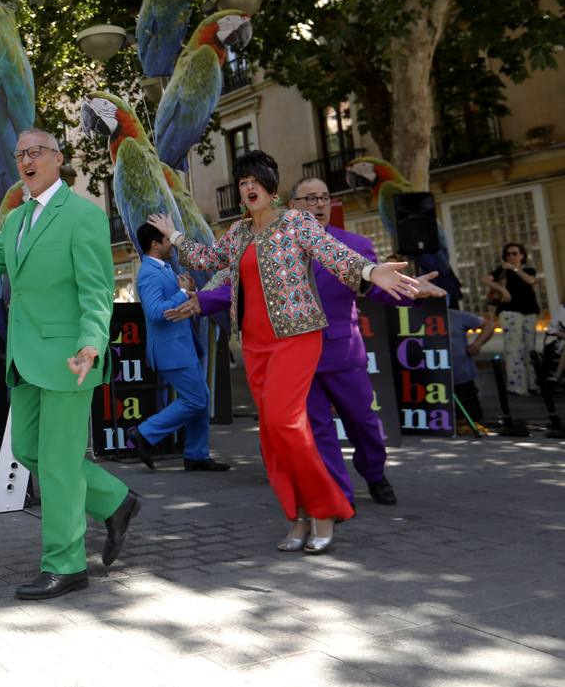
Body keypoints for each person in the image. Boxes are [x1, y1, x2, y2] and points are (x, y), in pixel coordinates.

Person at [149, 151, 419, 554]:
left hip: (296, 338)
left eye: (255, 180)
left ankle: (325, 510)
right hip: (255, 346)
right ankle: (297, 517)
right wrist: (176, 236)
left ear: (271, 188)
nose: (248, 187)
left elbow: (334, 254)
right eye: (242, 182)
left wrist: (369, 272)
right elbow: (207, 259)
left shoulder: (296, 223)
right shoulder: (238, 233)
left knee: (287, 426)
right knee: (272, 436)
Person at [0, 128, 140, 601]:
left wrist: (91, 343)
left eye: (35, 152)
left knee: (57, 465)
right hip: (24, 357)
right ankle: (115, 500)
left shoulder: (83, 215)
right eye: (19, 154)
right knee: (27, 450)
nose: (25, 160)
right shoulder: (17, 219)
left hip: (69, 358)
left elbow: (98, 289)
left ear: (58, 158)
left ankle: (66, 564)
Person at [182, 177, 444, 506]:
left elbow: (375, 286)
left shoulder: (354, 244)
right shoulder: (274, 241)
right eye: (309, 199)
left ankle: (374, 473)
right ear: (292, 207)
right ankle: (338, 497)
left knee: (363, 422)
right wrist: (202, 301)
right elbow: (244, 285)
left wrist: (411, 290)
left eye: (324, 197)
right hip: (294, 355)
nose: (319, 204)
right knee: (318, 431)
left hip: (341, 352)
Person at [128, 222, 230, 472]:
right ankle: (144, 432)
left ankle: (196, 454)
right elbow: (154, 312)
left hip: (181, 347)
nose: (172, 244)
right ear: (155, 244)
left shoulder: (162, 268)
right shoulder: (149, 273)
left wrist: (188, 290)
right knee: (196, 399)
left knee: (201, 399)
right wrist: (183, 292)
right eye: (167, 239)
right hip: (170, 350)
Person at [486, 242, 540, 396]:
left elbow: (531, 281)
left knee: (530, 347)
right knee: (513, 348)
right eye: (508, 254)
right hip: (509, 311)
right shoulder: (501, 271)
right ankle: (516, 385)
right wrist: (502, 289)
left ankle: (532, 383)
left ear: (522, 255)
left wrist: (516, 269)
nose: (511, 256)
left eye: (515, 253)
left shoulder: (528, 270)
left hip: (529, 311)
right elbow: (485, 279)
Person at [448, 307, 495, 432]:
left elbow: (489, 325)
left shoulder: (456, 315)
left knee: (472, 417)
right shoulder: (414, 316)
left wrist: (477, 345)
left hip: (461, 377)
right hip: (427, 378)